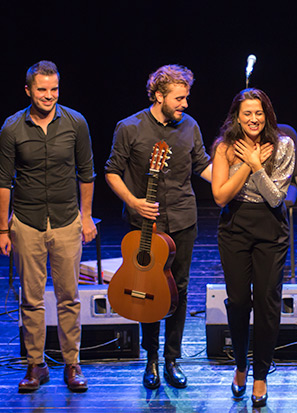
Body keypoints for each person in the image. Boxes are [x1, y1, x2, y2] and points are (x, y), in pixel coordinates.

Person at [105, 64, 212, 390]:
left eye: (186, 97)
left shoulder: (189, 126)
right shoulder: (129, 127)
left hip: (182, 221)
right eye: (179, 98)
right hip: (143, 225)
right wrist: (133, 201)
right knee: (146, 287)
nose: (185, 104)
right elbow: (111, 171)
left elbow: (203, 166)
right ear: (158, 96)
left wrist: (233, 184)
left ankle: (171, 358)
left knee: (176, 289)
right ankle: (151, 358)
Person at [0, 60, 97, 393]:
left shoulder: (76, 123)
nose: (49, 95)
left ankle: (71, 363)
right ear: (28, 91)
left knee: (69, 296)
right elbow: (3, 182)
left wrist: (87, 216)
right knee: (32, 298)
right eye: (42, 90)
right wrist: (2, 229)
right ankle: (36, 364)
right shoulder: (12, 128)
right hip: (27, 220)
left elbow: (86, 173)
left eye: (54, 89)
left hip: (67, 220)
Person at [211, 88, 295, 408]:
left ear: (267, 114)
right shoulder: (224, 148)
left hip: (271, 228)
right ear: (236, 116)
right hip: (235, 227)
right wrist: (248, 162)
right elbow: (221, 197)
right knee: (238, 301)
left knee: (267, 301)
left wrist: (258, 166)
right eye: (247, 113)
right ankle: (241, 366)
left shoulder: (284, 145)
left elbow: (275, 197)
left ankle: (261, 373)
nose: (253, 119)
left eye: (258, 112)